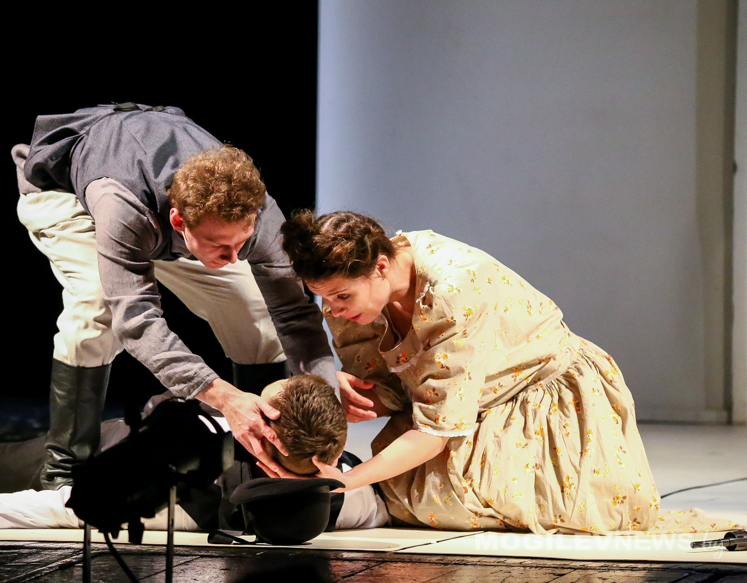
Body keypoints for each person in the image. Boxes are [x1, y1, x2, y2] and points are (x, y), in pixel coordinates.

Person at [278, 210, 739, 535]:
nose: (332, 309)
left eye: (342, 296)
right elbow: (397, 385)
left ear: (380, 266)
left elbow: (437, 429)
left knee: (449, 502)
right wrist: (357, 394)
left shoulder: (453, 288)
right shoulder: (357, 296)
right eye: (324, 297)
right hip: (464, 402)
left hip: (539, 393)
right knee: (406, 492)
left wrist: (346, 481)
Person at [11, 103, 345, 488]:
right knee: (97, 306)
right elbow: (137, 322)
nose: (233, 257)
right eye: (220, 246)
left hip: (159, 203)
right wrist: (225, 398)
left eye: (242, 242)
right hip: (68, 193)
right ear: (179, 223)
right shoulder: (122, 207)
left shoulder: (261, 216)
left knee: (253, 306)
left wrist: (327, 403)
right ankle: (67, 468)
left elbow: (294, 314)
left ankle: (258, 453)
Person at [0, 375, 388, 532]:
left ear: (269, 446)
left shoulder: (194, 497)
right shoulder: (347, 486)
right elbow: (373, 499)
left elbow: (69, 506)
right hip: (123, 433)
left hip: (97, 463)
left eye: (260, 407)